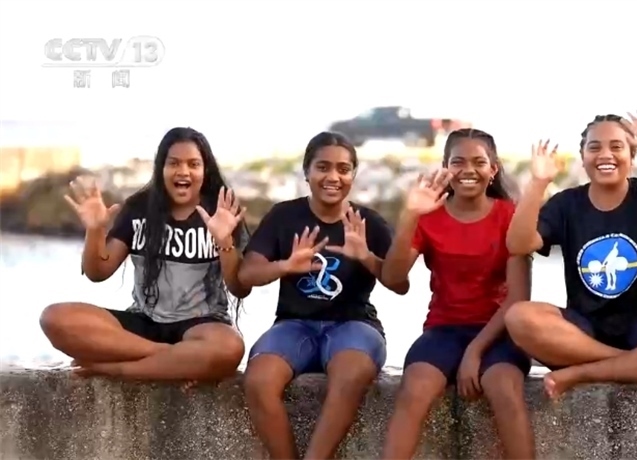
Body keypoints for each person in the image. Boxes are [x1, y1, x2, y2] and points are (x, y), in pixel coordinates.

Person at [504, 112, 637, 399]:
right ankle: (631, 362)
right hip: (584, 328)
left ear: (631, 155)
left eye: (616, 146)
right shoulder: (566, 204)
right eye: (594, 147)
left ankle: (582, 372)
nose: (605, 154)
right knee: (518, 317)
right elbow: (518, 244)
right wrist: (538, 183)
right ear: (583, 157)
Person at [238, 132, 407, 460]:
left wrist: (366, 256)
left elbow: (400, 284)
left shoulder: (368, 222)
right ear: (307, 171)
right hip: (294, 325)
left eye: (343, 169)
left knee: (350, 375)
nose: (333, 177)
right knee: (258, 381)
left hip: (354, 325)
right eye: (323, 167)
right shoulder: (284, 216)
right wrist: (286, 265)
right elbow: (247, 275)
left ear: (353, 175)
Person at [39, 127, 249, 383]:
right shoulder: (139, 208)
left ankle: (118, 370)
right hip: (143, 322)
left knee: (230, 347)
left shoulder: (222, 211)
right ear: (161, 168)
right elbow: (97, 272)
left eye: (193, 164)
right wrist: (95, 230)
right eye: (174, 163)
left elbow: (239, 287)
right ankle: (174, 359)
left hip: (202, 326)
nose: (183, 171)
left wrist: (224, 240)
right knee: (54, 318)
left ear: (205, 171)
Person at [380, 129, 535, 459]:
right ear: (446, 167)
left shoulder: (511, 215)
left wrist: (474, 352)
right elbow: (392, 278)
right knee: (415, 389)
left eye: (479, 162)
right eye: (458, 162)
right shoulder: (429, 217)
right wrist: (410, 215)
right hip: (444, 329)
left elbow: (518, 299)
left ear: (493, 169)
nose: (468, 170)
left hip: (500, 331)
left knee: (503, 388)